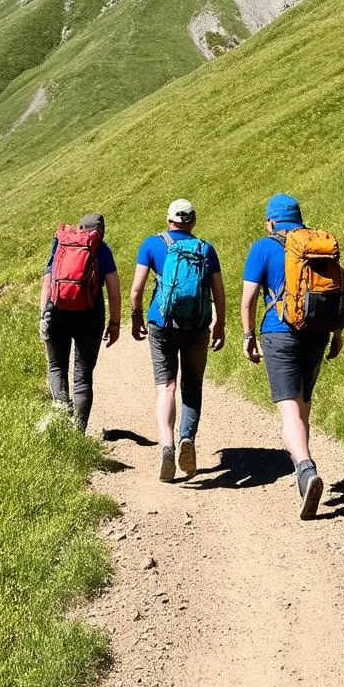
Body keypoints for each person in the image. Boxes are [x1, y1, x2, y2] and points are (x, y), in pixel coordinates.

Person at [240, 194, 344, 519]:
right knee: (303, 409)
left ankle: (305, 469)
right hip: (318, 331)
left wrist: (248, 336)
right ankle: (305, 476)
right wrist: (337, 334)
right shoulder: (319, 244)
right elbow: (337, 292)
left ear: (271, 221)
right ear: (299, 217)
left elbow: (248, 300)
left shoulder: (263, 247)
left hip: (279, 332)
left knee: (288, 412)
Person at [131, 199, 226, 482]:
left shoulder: (151, 244)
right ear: (193, 222)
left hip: (161, 324)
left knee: (166, 386)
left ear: (169, 219)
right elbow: (218, 292)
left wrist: (136, 316)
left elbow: (136, 290)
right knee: (192, 385)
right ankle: (188, 437)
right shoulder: (206, 249)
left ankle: (167, 445)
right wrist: (219, 325)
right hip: (197, 326)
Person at [39, 213, 122, 433]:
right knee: (83, 375)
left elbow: (48, 281)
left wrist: (43, 316)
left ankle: (61, 409)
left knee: (57, 366)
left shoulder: (62, 245)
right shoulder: (102, 250)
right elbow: (113, 288)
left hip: (57, 313)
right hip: (90, 316)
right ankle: (78, 432)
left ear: (79, 227)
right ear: (101, 232)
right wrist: (114, 323)